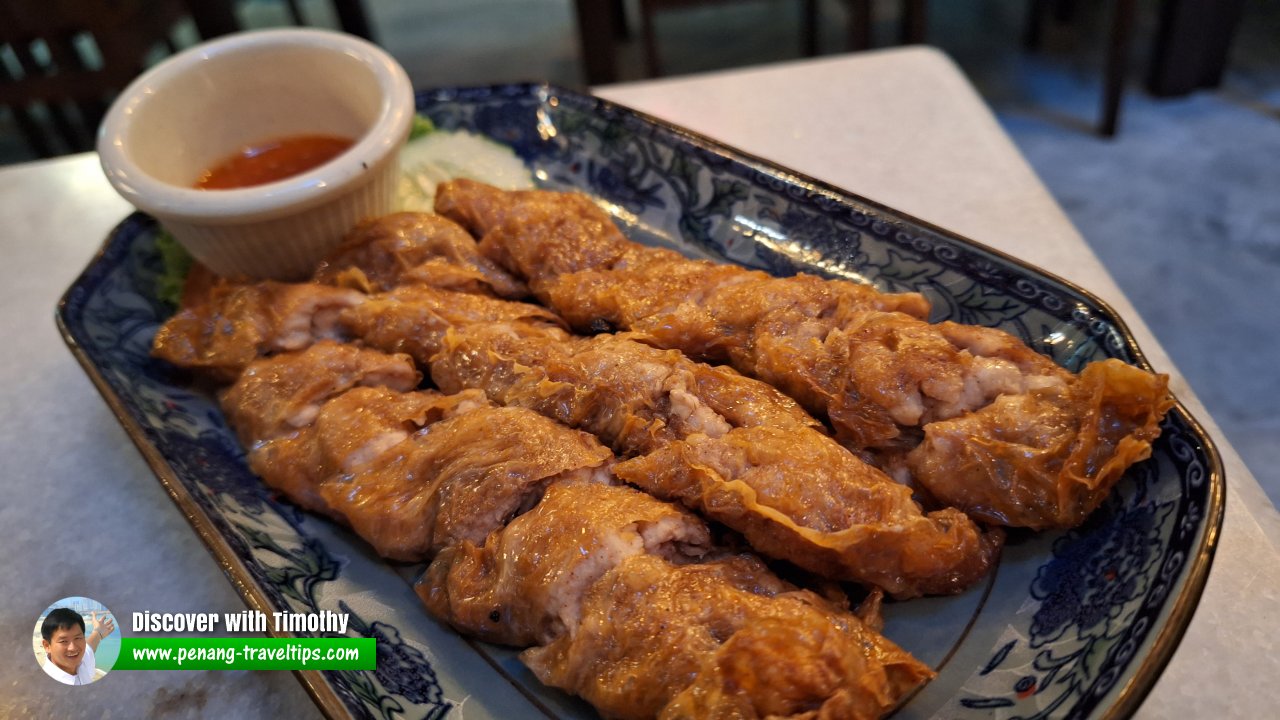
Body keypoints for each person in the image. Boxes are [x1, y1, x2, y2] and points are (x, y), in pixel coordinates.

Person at [40, 608, 114, 685]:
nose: (73, 648)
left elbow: (90, 646)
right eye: (63, 641)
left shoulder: (81, 661)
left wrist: (98, 632)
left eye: (77, 638)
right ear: (47, 646)